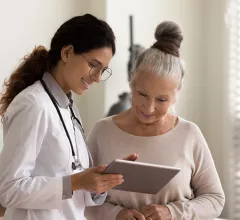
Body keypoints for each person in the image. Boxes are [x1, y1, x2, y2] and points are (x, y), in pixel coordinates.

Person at [0, 14, 136, 220]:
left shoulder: (68, 107)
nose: (98, 78)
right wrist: (76, 182)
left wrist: (99, 182)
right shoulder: (33, 105)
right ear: (67, 52)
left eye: (103, 70)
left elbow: (71, 188)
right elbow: (9, 190)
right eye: (93, 65)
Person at [85, 21, 225, 220]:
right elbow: (81, 198)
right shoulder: (102, 131)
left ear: (176, 96)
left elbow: (215, 199)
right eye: (142, 94)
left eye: (161, 100)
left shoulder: (189, 134)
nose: (149, 108)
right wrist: (116, 214)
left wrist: (172, 212)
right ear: (131, 83)